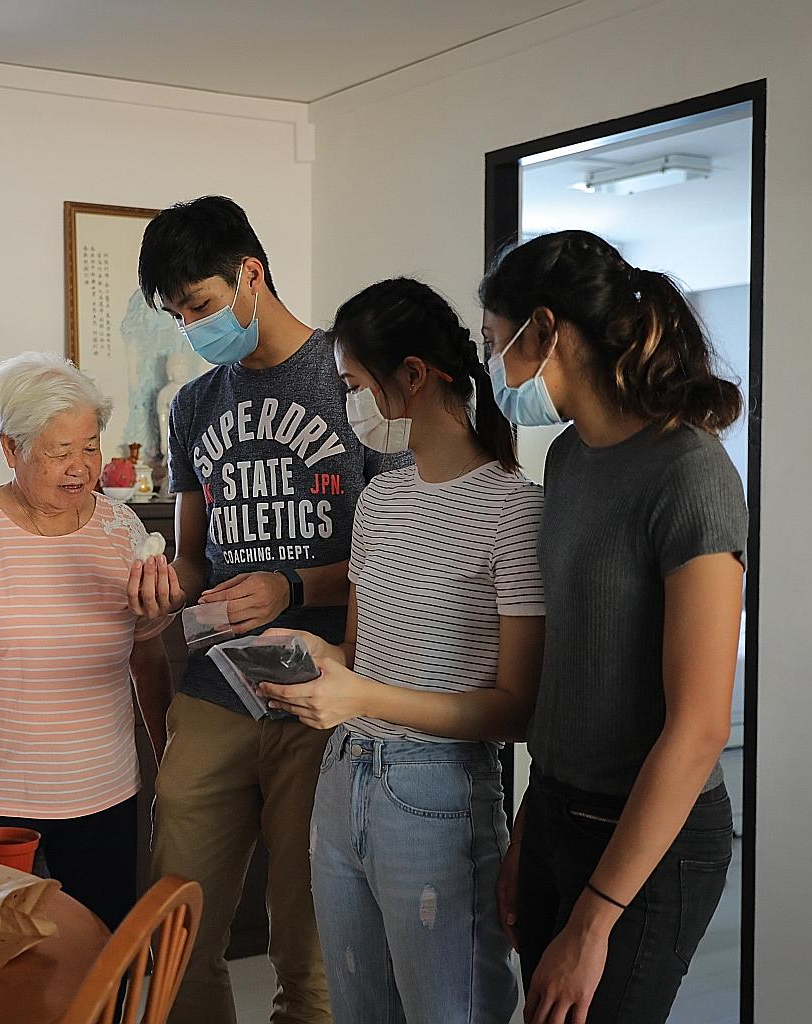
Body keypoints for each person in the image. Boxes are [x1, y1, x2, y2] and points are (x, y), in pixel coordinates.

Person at [134, 196, 402, 1024]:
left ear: (251, 274)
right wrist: (161, 580)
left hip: (323, 690)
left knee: (308, 945)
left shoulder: (351, 380)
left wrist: (292, 585)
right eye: (180, 317)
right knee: (177, 931)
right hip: (216, 690)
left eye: (203, 306)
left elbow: (394, 553)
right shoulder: (194, 406)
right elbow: (192, 552)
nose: (195, 329)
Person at [258, 278, 545, 1023]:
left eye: (355, 385)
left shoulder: (516, 509)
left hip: (438, 796)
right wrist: (313, 659)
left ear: (413, 376)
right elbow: (359, 653)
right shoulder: (381, 501)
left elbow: (515, 710)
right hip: (342, 775)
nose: (352, 405)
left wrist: (360, 697)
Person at [479, 230, 747, 1024]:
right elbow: (572, 667)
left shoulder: (689, 472)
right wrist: (533, 819)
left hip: (650, 847)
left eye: (498, 344)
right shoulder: (565, 458)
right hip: (560, 812)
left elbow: (698, 729)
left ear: (546, 331)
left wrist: (594, 920)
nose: (496, 369)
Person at [0, 352, 182, 930]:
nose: (79, 468)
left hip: (103, 797)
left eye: (89, 448)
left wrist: (169, 776)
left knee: (95, 969)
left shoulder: (123, 533)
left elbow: (147, 663)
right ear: (11, 449)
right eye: (59, 452)